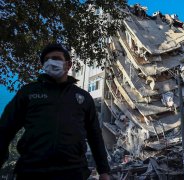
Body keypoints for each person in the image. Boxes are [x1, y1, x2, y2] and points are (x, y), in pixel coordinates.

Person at [0, 43, 110, 180]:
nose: (50, 62)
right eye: (46, 59)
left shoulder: (83, 97)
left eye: (56, 58)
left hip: (74, 172)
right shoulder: (28, 92)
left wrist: (104, 171)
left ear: (68, 65)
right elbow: (4, 130)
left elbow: (95, 136)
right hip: (31, 171)